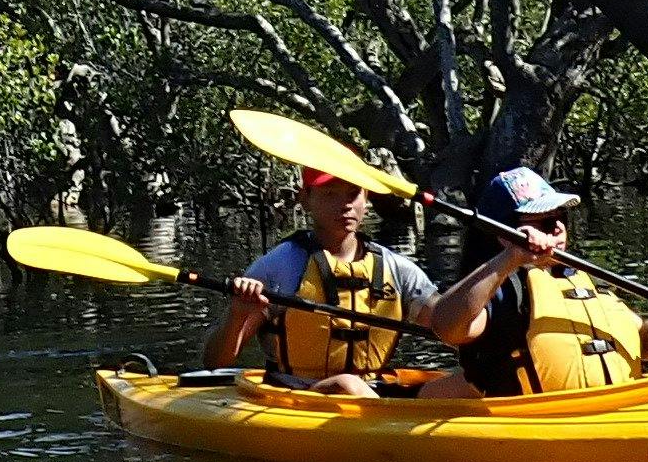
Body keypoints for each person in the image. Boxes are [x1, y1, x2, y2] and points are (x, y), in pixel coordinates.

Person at [431, 166, 648, 397]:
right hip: (539, 422)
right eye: (544, 221)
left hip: (615, 409)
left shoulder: (586, 280)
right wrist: (511, 257)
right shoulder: (503, 290)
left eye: (560, 217)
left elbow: (640, 341)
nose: (558, 227)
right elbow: (447, 327)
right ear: (506, 234)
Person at [208, 167, 497, 396]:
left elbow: (448, 324)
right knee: (347, 384)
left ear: (366, 198)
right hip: (298, 395)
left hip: (373, 392)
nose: (345, 205)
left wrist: (501, 273)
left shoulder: (396, 268)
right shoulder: (279, 267)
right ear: (306, 198)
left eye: (353, 193)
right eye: (330, 194)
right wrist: (238, 315)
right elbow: (214, 362)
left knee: (479, 382)